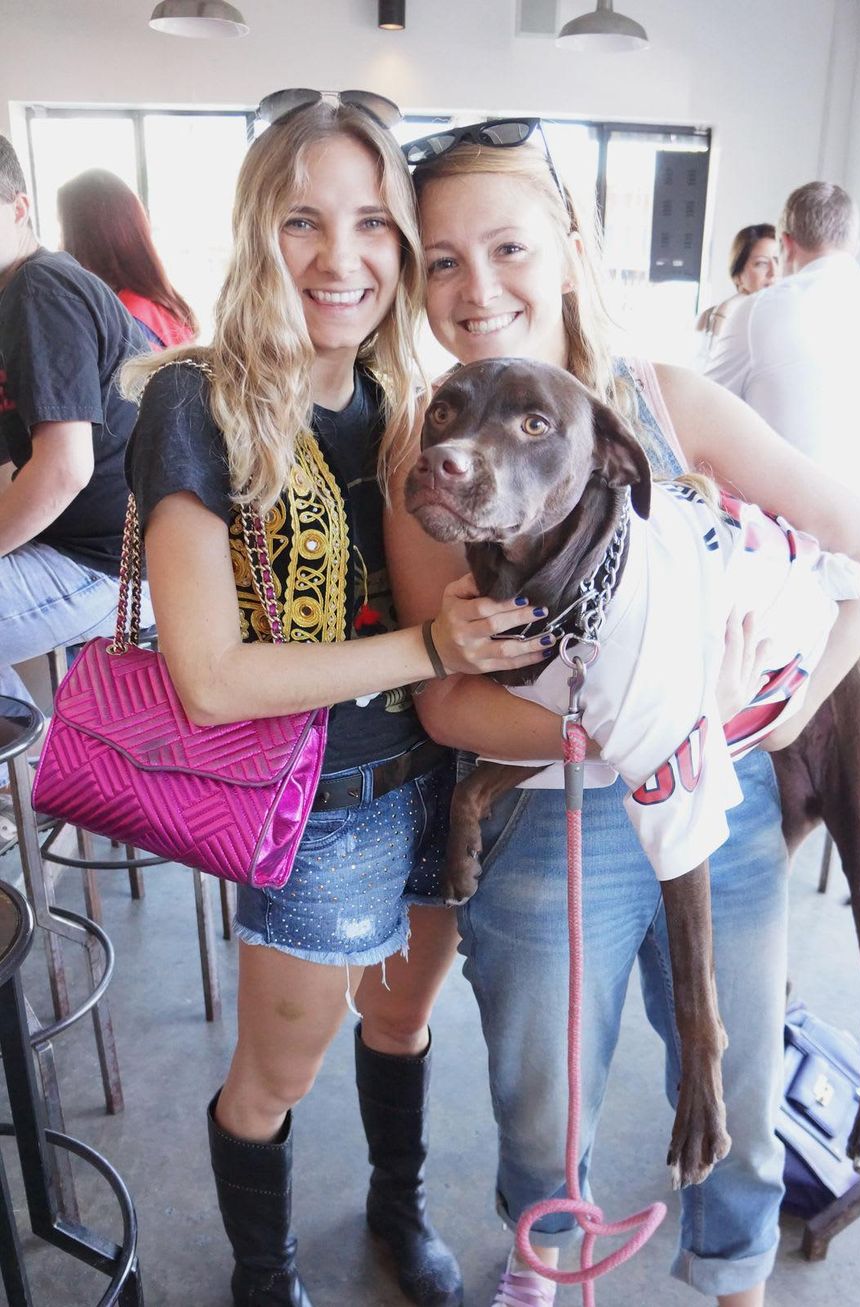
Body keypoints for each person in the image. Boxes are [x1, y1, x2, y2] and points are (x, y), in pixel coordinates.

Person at [385, 126, 860, 1307]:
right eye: (442, 261)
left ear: (569, 251)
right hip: (547, 820)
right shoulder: (429, 455)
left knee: (737, 1082)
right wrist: (640, 720)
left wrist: (770, 717)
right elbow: (451, 702)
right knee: (539, 1093)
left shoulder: (662, 403)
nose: (476, 289)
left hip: (716, 799)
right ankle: (542, 1255)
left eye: (506, 245)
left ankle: (735, 1277)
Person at [123, 93, 546, 1307]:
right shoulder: (197, 403)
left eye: (372, 223)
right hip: (316, 809)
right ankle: (265, 1272)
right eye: (304, 221)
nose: (341, 258)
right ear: (259, 230)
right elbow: (210, 679)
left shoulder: (409, 400)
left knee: (404, 1024)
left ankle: (396, 1210)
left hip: (440, 778)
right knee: (275, 1076)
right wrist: (428, 643)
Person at [0, 135, 149, 710]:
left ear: (20, 209)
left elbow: (65, 469)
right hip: (96, 549)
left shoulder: (39, 289)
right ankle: (25, 771)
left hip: (115, 562)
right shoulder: (22, 293)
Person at [706, 181, 860, 513]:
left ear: (786, 244)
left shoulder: (757, 311)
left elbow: (707, 410)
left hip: (789, 536)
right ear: (855, 245)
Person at [58, 168, 198, 350]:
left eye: (62, 230)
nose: (60, 244)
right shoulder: (161, 304)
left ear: (85, 239)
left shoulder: (120, 321)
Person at [695, 223, 778, 348]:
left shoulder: (789, 318)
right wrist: (725, 310)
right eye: (762, 263)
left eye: (778, 260)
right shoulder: (714, 316)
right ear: (738, 275)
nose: (774, 272)